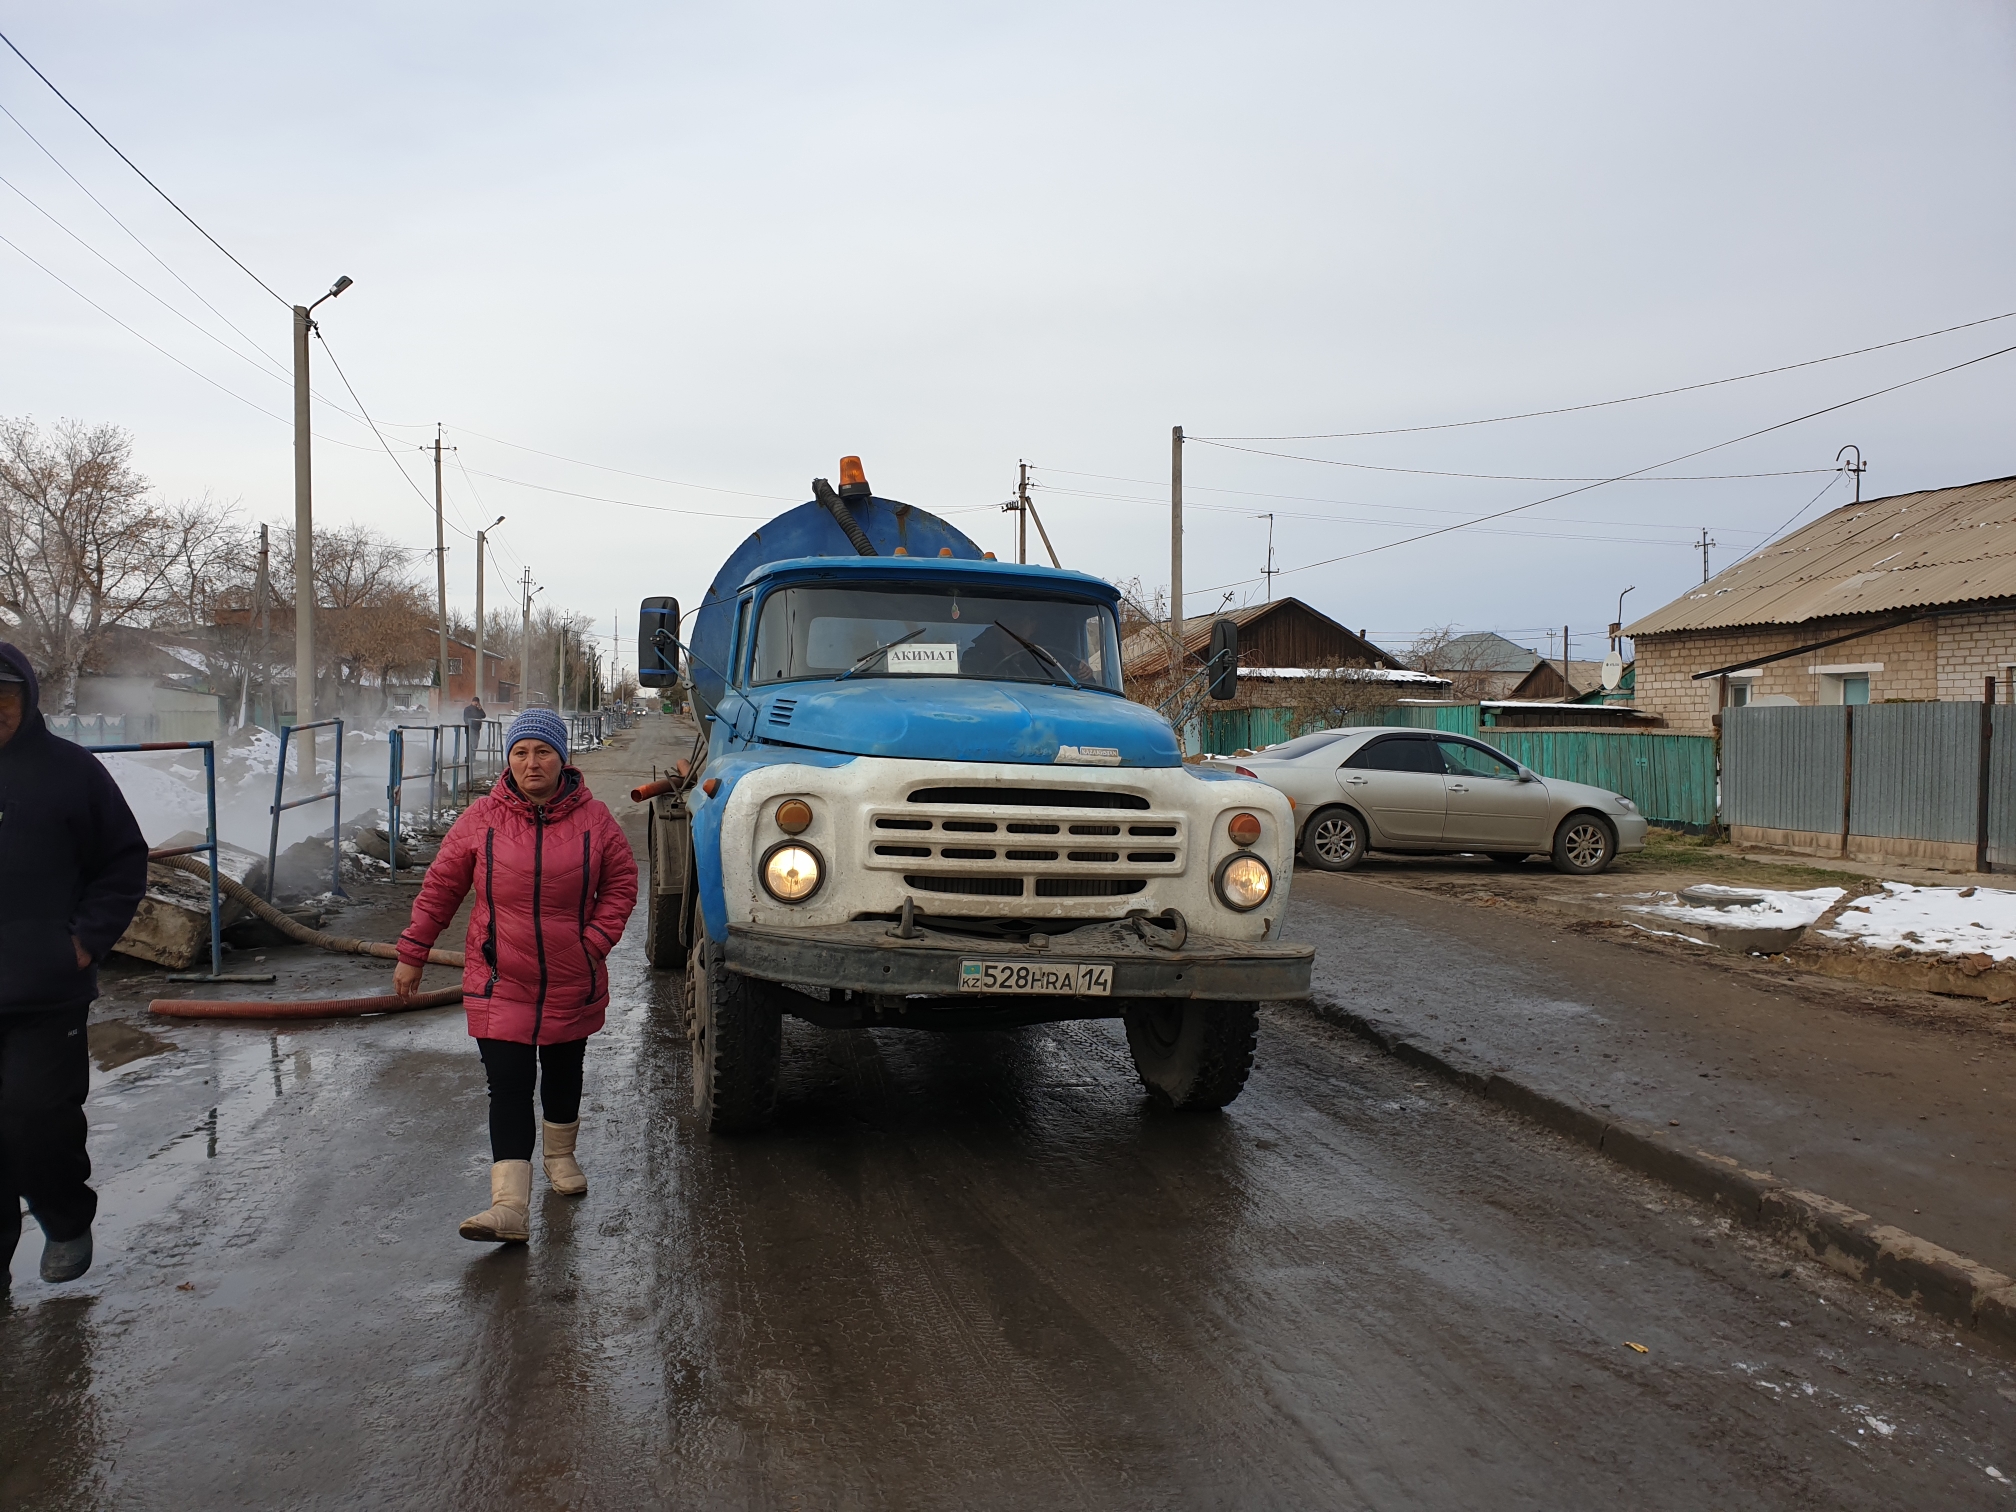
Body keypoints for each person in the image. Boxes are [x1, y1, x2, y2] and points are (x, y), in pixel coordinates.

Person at [393, 708, 636, 1243]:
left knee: (563, 1069)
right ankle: (509, 1206)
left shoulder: (595, 821)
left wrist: (592, 943)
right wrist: (413, 951)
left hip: (572, 977)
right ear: (508, 759)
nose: (532, 763)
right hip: (500, 979)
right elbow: (440, 889)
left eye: (543, 752)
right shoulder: (481, 818)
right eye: (521, 752)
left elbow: (621, 883)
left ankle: (561, 1156)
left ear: (562, 759)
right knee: (508, 1084)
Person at [0, 642, 148, 1288]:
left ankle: (64, 1216)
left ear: (27, 701)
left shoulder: (71, 772)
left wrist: (84, 940)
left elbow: (124, 860)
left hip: (45, 990)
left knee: (37, 1118)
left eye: (3, 701)